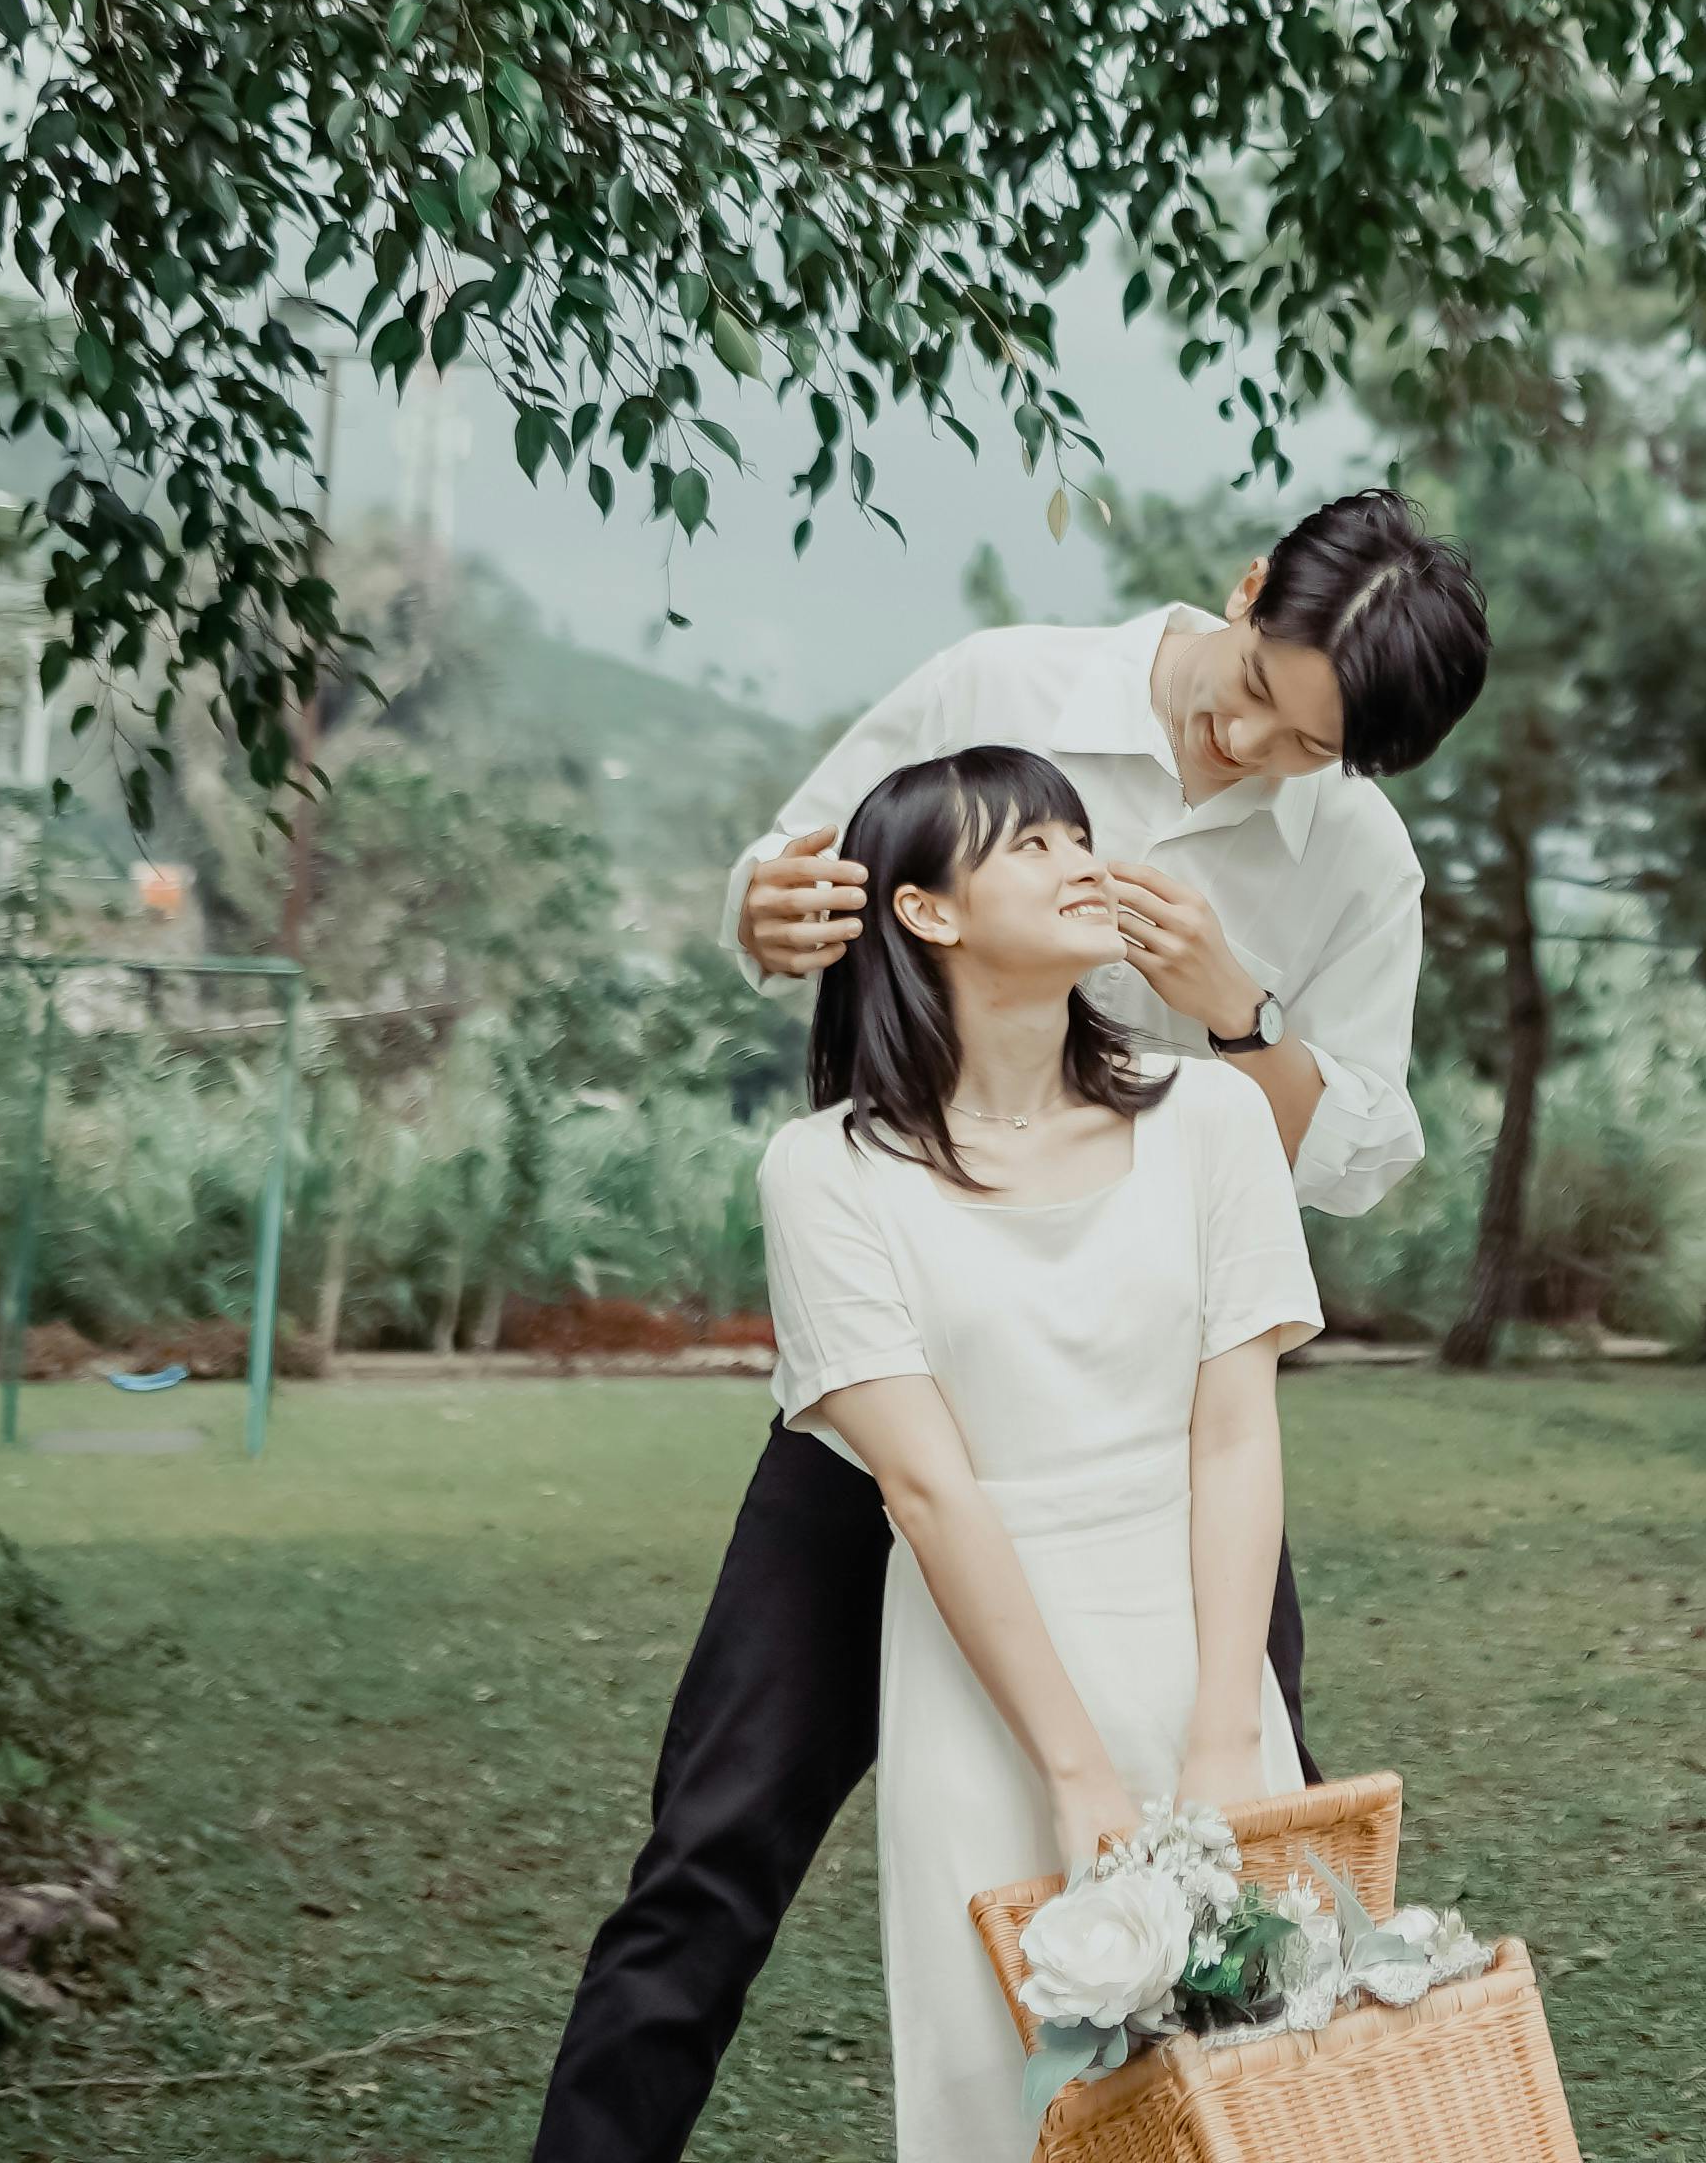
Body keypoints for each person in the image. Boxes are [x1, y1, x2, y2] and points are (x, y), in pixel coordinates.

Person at [527, 490, 1488, 2163]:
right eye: (1259, 686)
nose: (1248, 741)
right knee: (713, 1848)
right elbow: (807, 877)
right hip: (908, 1398)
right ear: (1251, 587)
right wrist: (763, 913)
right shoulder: (1005, 687)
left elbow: (1356, 1154)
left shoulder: (1349, 857)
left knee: (1266, 1881)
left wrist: (1236, 1017)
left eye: (1303, 747)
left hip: (1157, 1435)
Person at [757, 745, 1324, 2162]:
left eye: (1083, 833)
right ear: (924, 913)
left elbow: (1236, 1430)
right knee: (1010, 2096)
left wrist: (1223, 1738)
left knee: (1262, 2084)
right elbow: (928, 1489)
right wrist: (1073, 1771)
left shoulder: (1213, 1121)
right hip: (984, 1680)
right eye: (1029, 845)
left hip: (1196, 1644)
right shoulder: (823, 1171)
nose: (1085, 861)